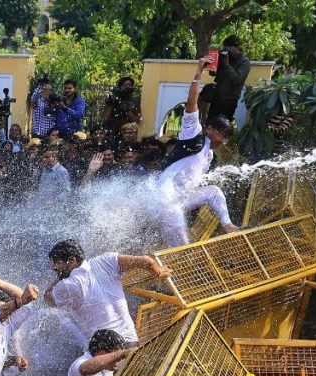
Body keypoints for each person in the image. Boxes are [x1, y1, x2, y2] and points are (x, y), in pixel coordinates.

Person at [154, 57, 239, 247]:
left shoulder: (210, 155)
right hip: (165, 198)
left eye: (226, 138)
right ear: (209, 128)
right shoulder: (193, 134)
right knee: (181, 245)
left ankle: (228, 226)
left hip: (182, 199)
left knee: (214, 192)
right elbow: (192, 103)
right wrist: (199, 70)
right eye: (221, 134)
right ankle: (177, 267)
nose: (222, 141)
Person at [44, 240, 171, 345]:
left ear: (72, 261)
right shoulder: (107, 260)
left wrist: (60, 276)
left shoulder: (67, 284)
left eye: (58, 263)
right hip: (131, 341)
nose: (54, 267)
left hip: (103, 350)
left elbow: (48, 299)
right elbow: (147, 261)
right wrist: (159, 272)